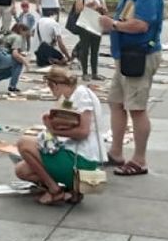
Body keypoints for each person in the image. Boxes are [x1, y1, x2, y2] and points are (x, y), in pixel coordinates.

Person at [99, 0, 163, 177]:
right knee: (116, 102)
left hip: (139, 56)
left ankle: (139, 160)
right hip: (125, 55)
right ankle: (116, 152)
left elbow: (141, 25)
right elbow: (126, 16)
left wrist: (113, 25)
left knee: (136, 108)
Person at [15, 65, 105, 205]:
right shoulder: (72, 96)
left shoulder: (82, 95)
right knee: (22, 170)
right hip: (76, 153)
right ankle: (71, 190)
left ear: (56, 85)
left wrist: (54, 130)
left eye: (51, 88)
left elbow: (83, 132)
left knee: (24, 143)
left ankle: (54, 190)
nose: (52, 93)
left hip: (81, 158)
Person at [71, 0, 107, 81]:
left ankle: (95, 73)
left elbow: (105, 10)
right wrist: (88, 5)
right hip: (85, 26)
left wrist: (101, 8)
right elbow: (78, 10)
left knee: (95, 50)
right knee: (84, 49)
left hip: (96, 25)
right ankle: (85, 72)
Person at [0, 25, 29, 93]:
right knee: (19, 62)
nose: (25, 35)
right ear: (21, 30)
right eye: (26, 33)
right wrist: (25, 62)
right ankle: (12, 86)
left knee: (9, 72)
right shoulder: (17, 37)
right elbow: (15, 54)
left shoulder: (6, 35)